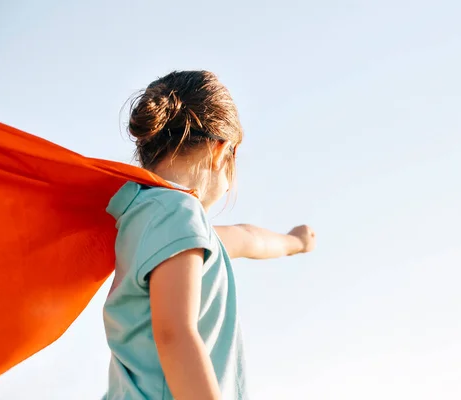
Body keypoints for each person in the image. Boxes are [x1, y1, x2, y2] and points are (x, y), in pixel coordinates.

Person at [103, 70, 316, 400]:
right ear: (221, 152)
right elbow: (174, 333)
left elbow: (247, 238)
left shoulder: (154, 220)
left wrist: (294, 242)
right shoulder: (177, 212)